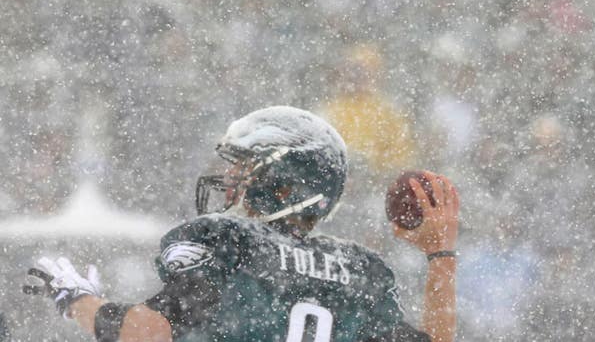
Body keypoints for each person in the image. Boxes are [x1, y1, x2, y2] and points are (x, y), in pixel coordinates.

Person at [22, 106, 459, 342]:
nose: (230, 179)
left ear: (284, 186)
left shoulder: (227, 240)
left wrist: (76, 299)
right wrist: (440, 255)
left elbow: (149, 334)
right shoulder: (361, 269)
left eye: (246, 169)